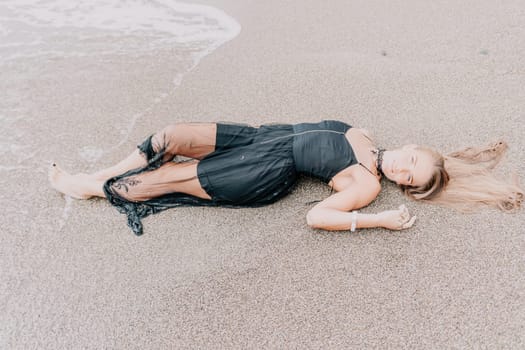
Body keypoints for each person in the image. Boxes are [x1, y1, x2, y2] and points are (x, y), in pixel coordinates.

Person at [49, 120, 523, 235]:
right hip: (258, 138)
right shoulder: (364, 134)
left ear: (402, 185)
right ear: (414, 147)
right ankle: (105, 172)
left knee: (163, 178)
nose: (402, 168)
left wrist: (376, 221)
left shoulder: (367, 184)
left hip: (263, 171)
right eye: (411, 161)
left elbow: (317, 217)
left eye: (408, 176)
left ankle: (88, 187)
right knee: (169, 137)